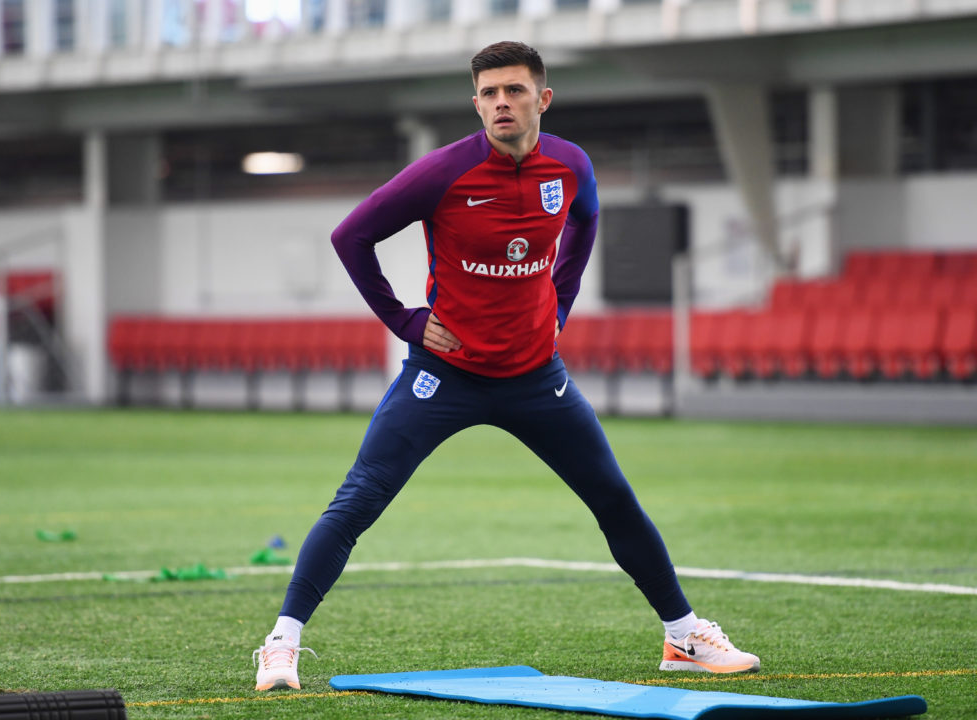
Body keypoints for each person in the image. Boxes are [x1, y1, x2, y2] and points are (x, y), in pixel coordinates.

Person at [253, 40, 759, 691]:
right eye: (489, 93)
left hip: (536, 379)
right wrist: (406, 321)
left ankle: (685, 637)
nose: (500, 102)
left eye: (514, 90)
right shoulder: (443, 172)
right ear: (476, 103)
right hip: (445, 379)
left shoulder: (570, 166)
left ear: (541, 98)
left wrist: (561, 307)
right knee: (359, 498)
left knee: (614, 499)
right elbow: (350, 235)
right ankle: (282, 643)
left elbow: (586, 222)